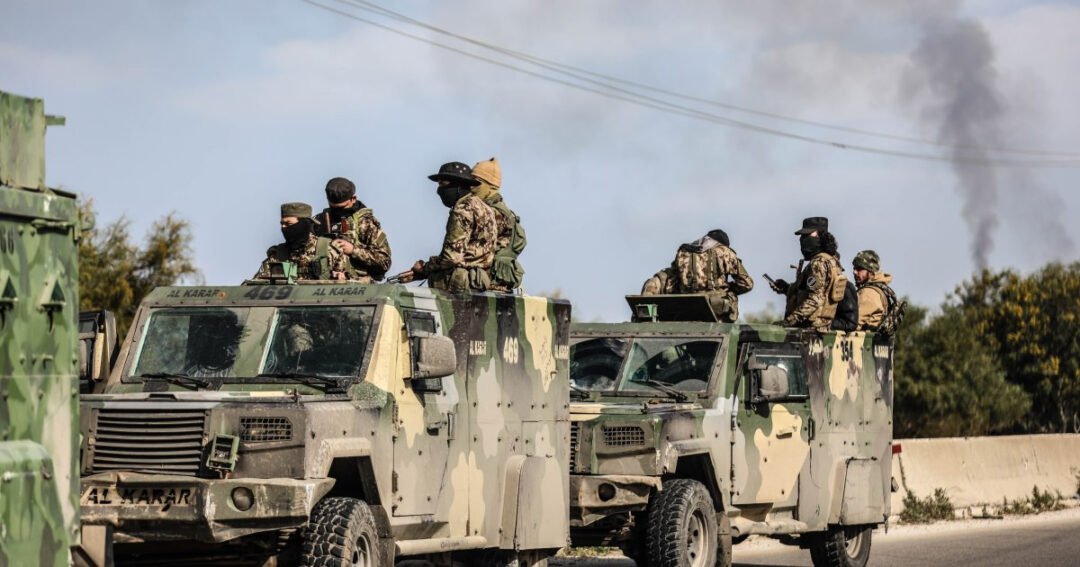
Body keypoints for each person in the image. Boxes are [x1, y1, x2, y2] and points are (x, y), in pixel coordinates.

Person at [396, 162, 498, 292]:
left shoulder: (462, 209)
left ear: (458, 185)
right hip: (479, 283)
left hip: (458, 286)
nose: (439, 190)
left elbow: (452, 257)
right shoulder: (485, 208)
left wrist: (425, 267)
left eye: (442, 184)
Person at [640, 229, 753, 322]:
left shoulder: (684, 252)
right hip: (716, 310)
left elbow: (672, 278)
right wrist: (729, 289)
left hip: (686, 308)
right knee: (730, 297)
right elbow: (747, 284)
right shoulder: (726, 252)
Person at [768, 217, 848, 332]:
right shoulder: (832, 260)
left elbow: (815, 299)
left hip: (811, 330)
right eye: (802, 236)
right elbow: (820, 292)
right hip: (821, 328)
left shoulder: (818, 263)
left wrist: (790, 321)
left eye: (807, 235)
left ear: (821, 236)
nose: (802, 239)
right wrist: (787, 289)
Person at [315, 177, 392, 282]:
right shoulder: (319, 222)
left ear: (353, 199)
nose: (338, 212)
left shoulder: (366, 224)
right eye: (334, 208)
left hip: (359, 287)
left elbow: (384, 262)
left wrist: (353, 250)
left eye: (342, 208)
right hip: (322, 285)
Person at [254, 202, 350, 281]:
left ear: (304, 224)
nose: (283, 228)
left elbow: (352, 286)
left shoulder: (329, 250)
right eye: (282, 224)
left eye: (288, 224)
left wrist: (341, 278)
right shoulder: (277, 255)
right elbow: (254, 286)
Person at [471, 157, 527, 292]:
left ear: (491, 185)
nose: (471, 187)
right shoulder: (508, 213)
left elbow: (469, 253)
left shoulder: (491, 214)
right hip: (500, 285)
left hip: (485, 284)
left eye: (476, 182)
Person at [853, 249, 896, 331]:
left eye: (859, 269)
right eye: (854, 268)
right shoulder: (881, 288)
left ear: (870, 271)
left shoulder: (869, 293)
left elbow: (853, 323)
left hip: (864, 338)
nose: (854, 272)